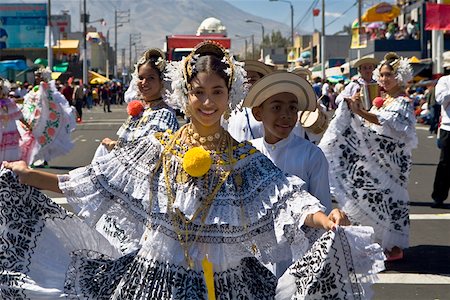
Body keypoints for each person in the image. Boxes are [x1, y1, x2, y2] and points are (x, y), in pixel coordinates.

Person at [1, 41, 384, 298]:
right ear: (186, 94)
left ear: (229, 96)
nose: (207, 101)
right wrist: (27, 174)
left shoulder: (242, 157)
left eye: (217, 92)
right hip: (156, 275)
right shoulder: (160, 146)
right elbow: (97, 181)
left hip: (223, 279)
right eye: (199, 92)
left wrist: (324, 217)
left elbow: (285, 198)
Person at [319, 52, 417, 261]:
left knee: (390, 200)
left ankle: (393, 247)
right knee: (374, 199)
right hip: (376, 160)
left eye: (388, 75)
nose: (383, 79)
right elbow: (369, 123)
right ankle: (381, 242)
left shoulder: (403, 102)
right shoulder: (383, 99)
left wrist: (360, 112)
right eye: (381, 75)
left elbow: (385, 122)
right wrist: (353, 109)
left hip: (392, 163)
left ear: (399, 76)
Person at [245, 71, 332, 213]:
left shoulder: (311, 155)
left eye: (292, 108)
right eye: (276, 108)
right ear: (258, 113)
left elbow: (323, 209)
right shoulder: (248, 153)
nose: (286, 115)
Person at [94, 48, 179, 158]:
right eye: (141, 78)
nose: (144, 83)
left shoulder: (165, 115)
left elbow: (152, 155)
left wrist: (113, 146)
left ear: (162, 82)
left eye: (151, 78)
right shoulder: (141, 111)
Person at [19, 67, 76, 166]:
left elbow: (51, 100)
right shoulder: (36, 88)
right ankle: (33, 158)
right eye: (36, 77)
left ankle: (43, 159)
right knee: (35, 137)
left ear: (42, 77)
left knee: (43, 137)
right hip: (35, 116)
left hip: (45, 116)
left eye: (38, 77)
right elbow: (29, 100)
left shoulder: (46, 87)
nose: (36, 78)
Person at [223, 59, 272, 141]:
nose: (248, 84)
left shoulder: (268, 108)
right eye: (244, 79)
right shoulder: (230, 107)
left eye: (253, 80)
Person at [0, 77, 31, 162]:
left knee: (10, 156)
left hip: (9, 131)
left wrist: (29, 126)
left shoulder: (10, 103)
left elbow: (20, 116)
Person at [431, 75, 450, 208]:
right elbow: (440, 98)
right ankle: (439, 196)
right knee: (445, 163)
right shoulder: (445, 80)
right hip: (448, 127)